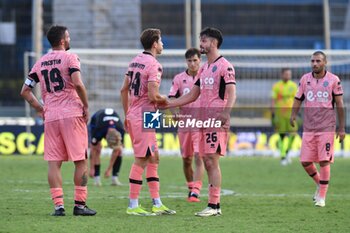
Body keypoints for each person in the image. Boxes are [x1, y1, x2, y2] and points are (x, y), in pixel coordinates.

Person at [20, 25, 96, 216]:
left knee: (54, 163)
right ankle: (79, 205)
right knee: (80, 161)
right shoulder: (70, 57)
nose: (70, 39)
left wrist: (39, 108)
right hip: (72, 114)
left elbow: (25, 91)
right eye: (68, 37)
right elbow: (77, 83)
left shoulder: (40, 62)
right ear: (62, 41)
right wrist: (86, 106)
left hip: (51, 116)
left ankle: (58, 207)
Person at [165, 27, 236, 217]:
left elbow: (231, 92)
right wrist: (167, 104)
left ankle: (214, 206)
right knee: (205, 159)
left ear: (213, 42)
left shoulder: (225, 66)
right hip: (202, 120)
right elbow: (192, 95)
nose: (201, 44)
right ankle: (212, 205)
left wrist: (226, 113)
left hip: (215, 119)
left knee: (211, 160)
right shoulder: (204, 68)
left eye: (203, 41)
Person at [120, 28, 176, 216]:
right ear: (154, 44)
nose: (162, 44)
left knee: (154, 157)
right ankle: (133, 206)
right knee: (142, 159)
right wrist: (167, 100)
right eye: (161, 41)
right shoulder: (154, 65)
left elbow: (123, 90)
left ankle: (157, 203)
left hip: (141, 114)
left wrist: (127, 114)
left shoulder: (134, 61)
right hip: (145, 115)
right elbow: (153, 95)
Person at [290, 51, 345, 207]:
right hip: (309, 127)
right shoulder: (304, 79)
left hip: (326, 127)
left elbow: (340, 105)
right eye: (313, 61)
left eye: (318, 61)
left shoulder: (334, 80)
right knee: (305, 162)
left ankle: (321, 197)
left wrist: (341, 128)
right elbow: (298, 98)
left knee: (324, 160)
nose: (315, 63)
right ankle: (320, 183)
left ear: (325, 62)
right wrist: (293, 114)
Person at [168, 48, 204, 202]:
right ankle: (191, 187)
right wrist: (174, 112)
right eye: (190, 60)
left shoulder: (206, 77)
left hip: (201, 122)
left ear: (199, 61)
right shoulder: (178, 79)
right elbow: (170, 98)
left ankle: (196, 190)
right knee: (186, 159)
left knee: (198, 155)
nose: (193, 63)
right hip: (184, 123)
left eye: (195, 60)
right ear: (186, 62)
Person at [88, 108, 124, 186]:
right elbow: (93, 150)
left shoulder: (121, 130)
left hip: (108, 125)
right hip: (96, 121)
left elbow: (116, 150)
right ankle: (96, 178)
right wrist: (91, 168)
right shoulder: (98, 130)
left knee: (119, 150)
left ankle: (114, 178)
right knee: (97, 149)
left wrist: (109, 169)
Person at [271, 68, 298, 165]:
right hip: (280, 114)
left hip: (291, 114)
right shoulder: (276, 86)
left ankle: (287, 152)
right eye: (286, 74)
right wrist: (273, 114)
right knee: (281, 135)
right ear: (282, 75)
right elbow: (273, 101)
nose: (288, 76)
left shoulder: (294, 86)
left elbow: (297, 100)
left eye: (289, 74)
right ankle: (282, 156)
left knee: (293, 134)